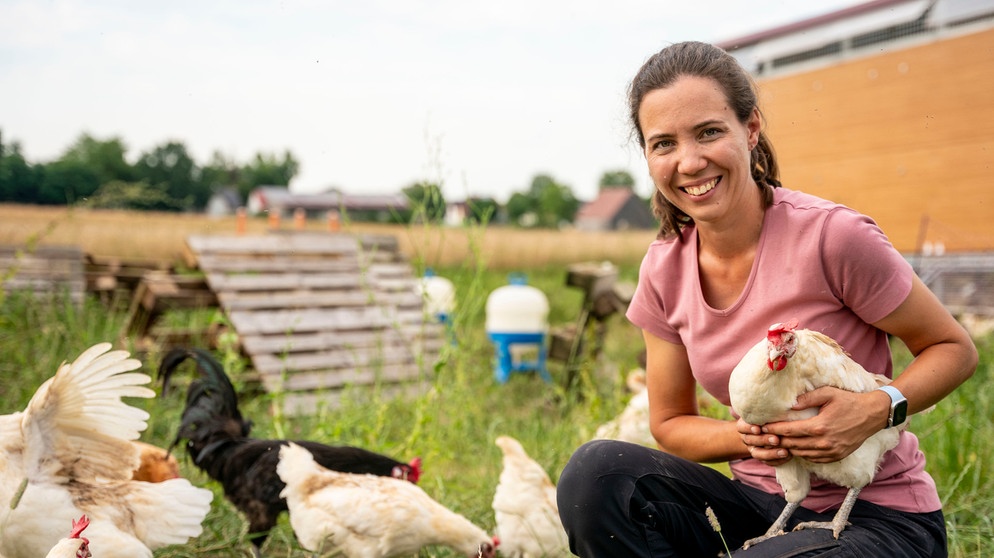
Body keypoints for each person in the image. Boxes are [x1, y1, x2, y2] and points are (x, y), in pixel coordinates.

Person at [556, 41, 978, 557]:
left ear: (750, 129)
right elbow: (669, 423)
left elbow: (953, 348)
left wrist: (876, 407)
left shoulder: (832, 237)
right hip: (762, 503)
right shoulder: (663, 268)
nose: (689, 161)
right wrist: (756, 439)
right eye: (663, 143)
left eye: (709, 132)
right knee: (595, 477)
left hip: (880, 517)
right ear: (647, 156)